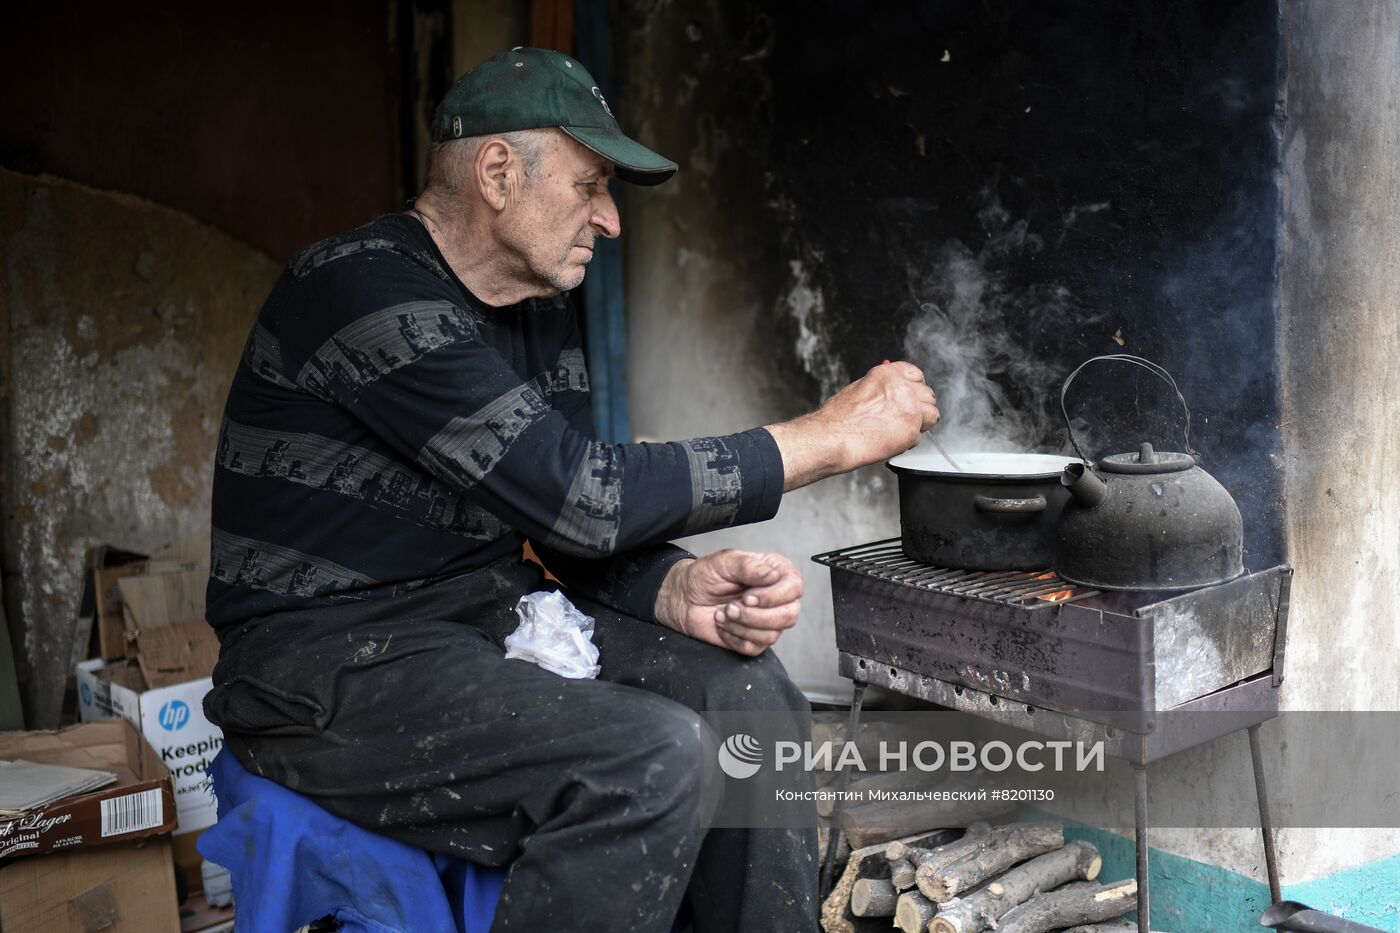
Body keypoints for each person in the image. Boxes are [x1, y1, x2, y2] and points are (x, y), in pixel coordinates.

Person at [203, 47, 937, 932]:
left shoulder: (538, 308)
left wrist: (668, 588)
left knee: (755, 699)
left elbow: (563, 521)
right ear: (499, 173)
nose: (611, 219)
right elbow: (579, 492)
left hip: (474, 622)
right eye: (591, 183)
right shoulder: (357, 288)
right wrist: (829, 437)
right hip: (320, 666)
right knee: (651, 758)